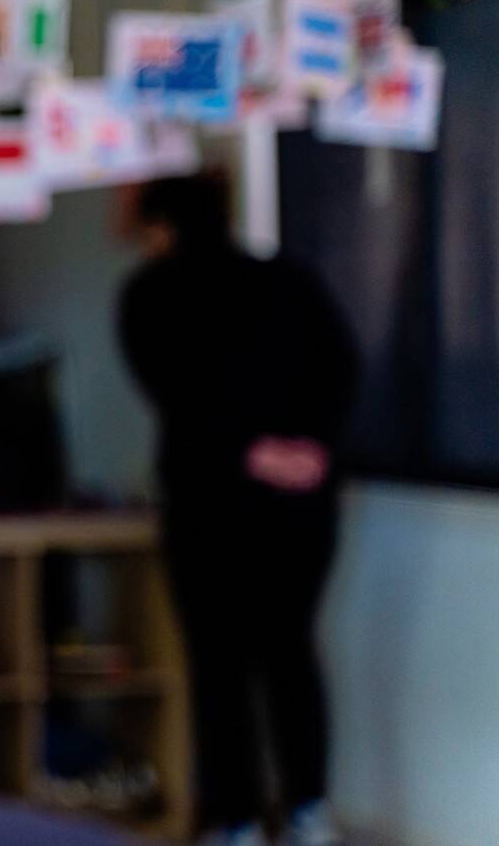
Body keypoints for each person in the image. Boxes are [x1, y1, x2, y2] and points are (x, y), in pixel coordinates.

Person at [117, 174, 358, 846]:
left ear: (163, 226)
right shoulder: (290, 280)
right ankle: (309, 809)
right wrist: (311, 449)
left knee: (219, 662)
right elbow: (341, 367)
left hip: (211, 501)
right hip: (302, 503)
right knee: (291, 652)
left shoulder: (151, 292)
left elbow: (178, 391)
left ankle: (239, 819)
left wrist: (250, 452)